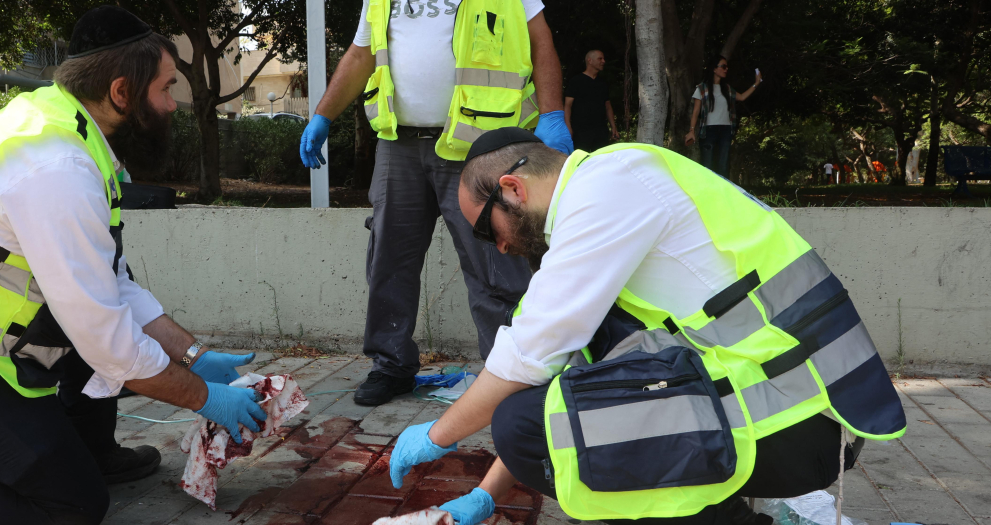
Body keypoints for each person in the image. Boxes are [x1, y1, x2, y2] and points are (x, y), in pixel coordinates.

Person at [0, 6, 268, 524]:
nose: (173, 103)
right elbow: (108, 341)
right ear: (122, 92)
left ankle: (86, 454)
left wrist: (193, 355)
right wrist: (203, 398)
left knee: (96, 349)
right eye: (166, 87)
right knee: (70, 505)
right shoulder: (54, 165)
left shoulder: (63, 130)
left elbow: (109, 285)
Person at [384, 129, 908, 525]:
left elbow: (529, 356)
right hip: (777, 405)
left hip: (799, 421)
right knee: (567, 392)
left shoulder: (608, 189)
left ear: (512, 188)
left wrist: (438, 434)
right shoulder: (609, 205)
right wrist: (486, 494)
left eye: (485, 231)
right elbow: (556, 366)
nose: (498, 247)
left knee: (526, 426)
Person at [298, 0, 573, 406]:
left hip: (478, 146)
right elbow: (361, 54)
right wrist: (324, 114)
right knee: (389, 258)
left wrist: (552, 113)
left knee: (498, 258)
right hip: (399, 143)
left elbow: (540, 40)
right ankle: (391, 365)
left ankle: (514, 371)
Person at [685, 55, 762, 177]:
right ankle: (706, 194)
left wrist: (756, 83)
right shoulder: (702, 88)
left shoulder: (727, 89)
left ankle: (721, 194)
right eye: (723, 66)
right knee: (707, 166)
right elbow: (696, 112)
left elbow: (741, 97)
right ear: (714, 69)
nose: (726, 69)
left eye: (727, 67)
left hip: (726, 130)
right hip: (708, 131)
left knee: (723, 166)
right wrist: (692, 131)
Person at [564, 48, 619, 152]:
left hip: (601, 130)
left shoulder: (602, 83)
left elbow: (607, 106)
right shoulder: (576, 81)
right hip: (580, 130)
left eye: (603, 59)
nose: (603, 61)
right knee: (581, 161)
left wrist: (613, 127)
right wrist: (568, 127)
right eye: (600, 59)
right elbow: (567, 106)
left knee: (601, 160)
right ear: (590, 60)